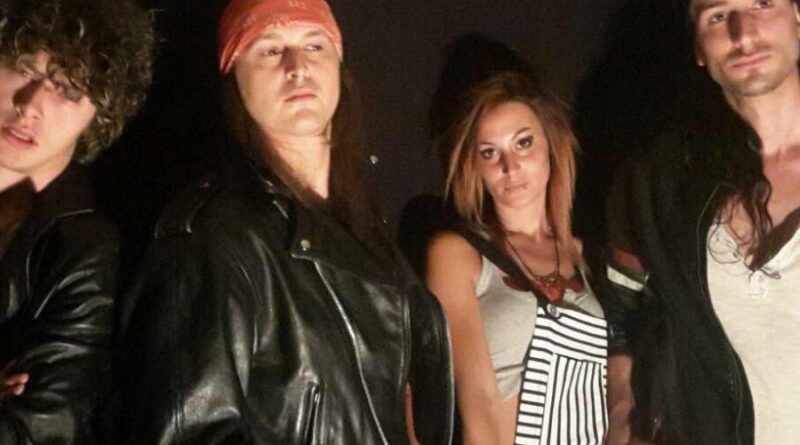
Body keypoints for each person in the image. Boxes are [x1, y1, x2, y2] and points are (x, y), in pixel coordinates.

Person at [118, 0, 453, 443]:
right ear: (234, 73)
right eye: (271, 49)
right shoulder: (212, 236)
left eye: (314, 45)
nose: (298, 67)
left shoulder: (368, 230)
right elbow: (186, 431)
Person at [604, 0, 800, 444]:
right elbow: (623, 314)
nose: (743, 33)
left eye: (762, 3)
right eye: (718, 15)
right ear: (697, 47)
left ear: (797, 15)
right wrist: (622, 414)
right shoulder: (657, 182)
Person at [0, 0, 154, 442]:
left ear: (99, 115)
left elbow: (42, 429)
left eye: (67, 89)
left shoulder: (82, 250)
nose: (30, 104)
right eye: (25, 69)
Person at [426, 71, 607, 445]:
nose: (509, 166)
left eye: (523, 143)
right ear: (474, 165)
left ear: (551, 145)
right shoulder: (457, 254)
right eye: (489, 152)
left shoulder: (589, 257)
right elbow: (477, 403)